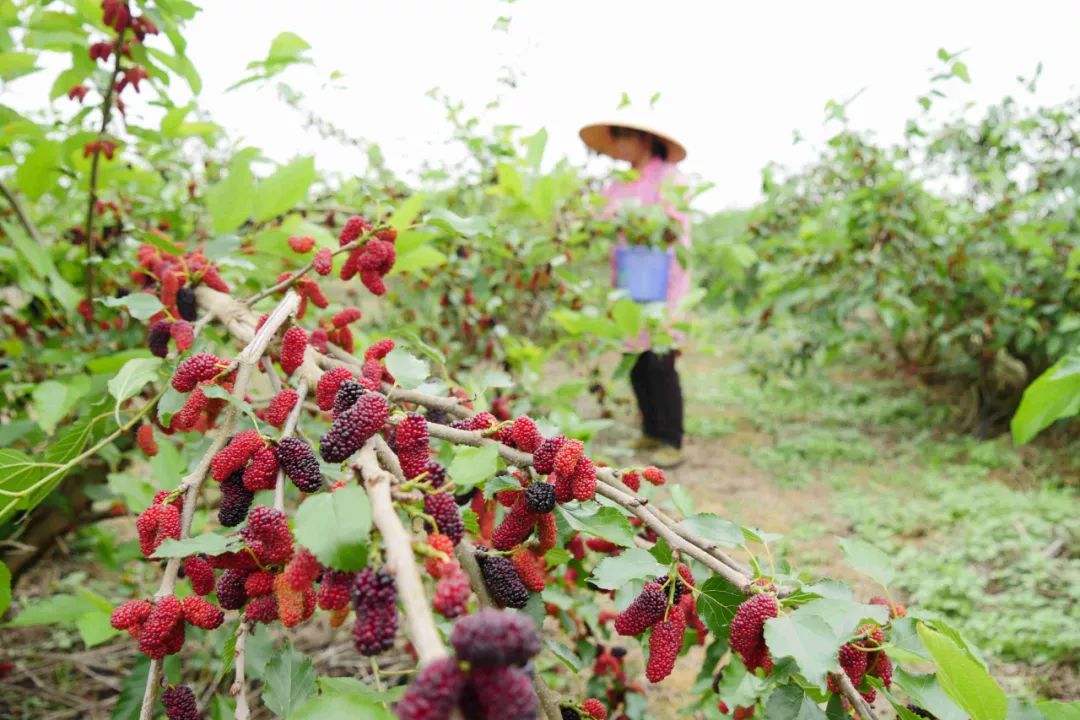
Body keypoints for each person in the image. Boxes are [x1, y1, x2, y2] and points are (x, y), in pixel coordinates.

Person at [579, 120, 691, 468]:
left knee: (660, 358)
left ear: (645, 139)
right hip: (628, 282)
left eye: (625, 137)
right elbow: (598, 219)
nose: (620, 145)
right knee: (636, 361)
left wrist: (640, 223)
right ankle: (650, 429)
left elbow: (673, 224)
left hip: (663, 280)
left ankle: (671, 438)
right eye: (616, 138)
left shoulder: (669, 178)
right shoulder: (619, 183)